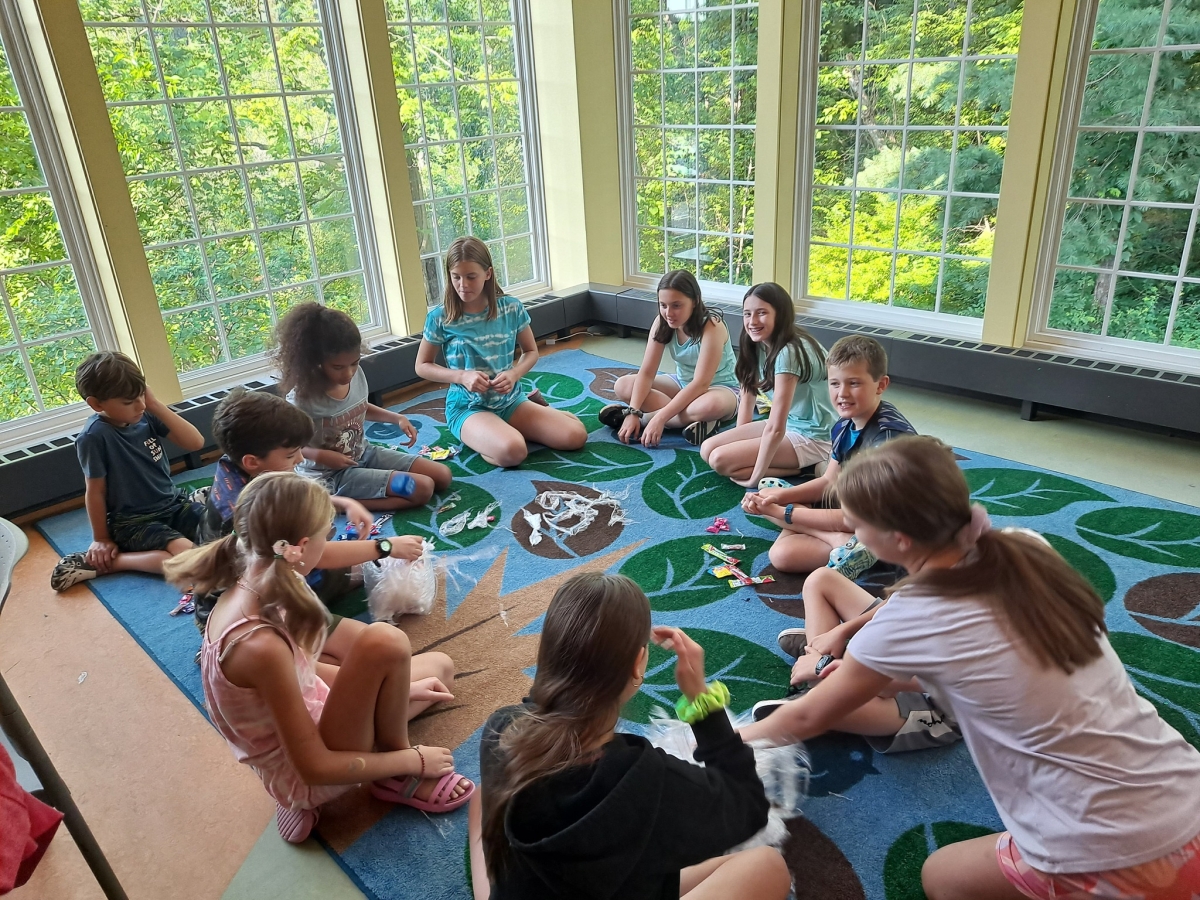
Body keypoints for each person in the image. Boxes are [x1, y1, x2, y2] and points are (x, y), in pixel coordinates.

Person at [741, 437, 1200, 900]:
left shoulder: (913, 616)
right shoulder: (1023, 544)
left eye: (856, 525)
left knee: (941, 879)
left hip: (1102, 844)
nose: (851, 532)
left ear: (898, 540)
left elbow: (804, 718)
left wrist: (705, 743)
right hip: (1185, 787)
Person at [165, 472, 474, 844]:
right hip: (306, 770)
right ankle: (392, 771)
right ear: (303, 545)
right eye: (328, 533)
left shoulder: (260, 578)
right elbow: (313, 767)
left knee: (439, 668)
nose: (330, 542)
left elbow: (304, 671)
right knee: (386, 643)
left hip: (308, 722)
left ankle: (377, 749)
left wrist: (393, 692)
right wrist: (414, 760)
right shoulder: (257, 645)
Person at [467, 572, 791, 900]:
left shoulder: (502, 728)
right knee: (768, 866)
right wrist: (701, 701)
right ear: (638, 665)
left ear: (548, 652)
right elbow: (748, 805)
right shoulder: (648, 779)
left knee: (483, 797)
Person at [192, 388, 427, 638]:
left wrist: (344, 502)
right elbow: (315, 556)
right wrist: (385, 546)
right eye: (291, 455)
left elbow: (295, 510)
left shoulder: (238, 466)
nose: (300, 459)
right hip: (244, 618)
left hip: (266, 576)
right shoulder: (252, 511)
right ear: (252, 461)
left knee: (353, 567)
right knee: (374, 641)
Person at [741, 335, 916, 576]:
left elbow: (855, 519)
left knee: (783, 554)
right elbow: (829, 482)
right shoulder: (845, 423)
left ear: (881, 384)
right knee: (769, 495)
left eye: (854, 383)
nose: (842, 393)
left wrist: (785, 512)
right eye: (835, 383)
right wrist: (784, 496)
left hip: (889, 533)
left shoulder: (887, 443)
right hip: (854, 513)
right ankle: (836, 540)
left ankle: (847, 542)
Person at [749, 567, 961, 756]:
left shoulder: (974, 620)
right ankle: (828, 666)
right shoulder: (939, 554)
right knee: (820, 579)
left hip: (935, 702)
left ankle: (820, 689)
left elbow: (898, 684)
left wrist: (822, 666)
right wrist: (842, 630)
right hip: (906, 649)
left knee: (824, 705)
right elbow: (898, 601)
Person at [415, 236, 587, 468]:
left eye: (471, 277)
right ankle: (489, 435)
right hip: (469, 407)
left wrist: (515, 374)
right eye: (456, 277)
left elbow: (531, 352)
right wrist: (461, 376)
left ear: (488, 273)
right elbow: (422, 365)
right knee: (513, 453)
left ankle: (510, 427)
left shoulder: (511, 307)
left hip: (510, 401)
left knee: (576, 436)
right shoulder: (440, 316)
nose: (462, 284)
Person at [51, 352, 206, 592]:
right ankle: (114, 563)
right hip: (132, 521)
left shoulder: (146, 415)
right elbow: (95, 492)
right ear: (97, 404)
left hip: (173, 505)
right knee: (186, 554)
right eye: (128, 402)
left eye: (141, 396)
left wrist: (155, 404)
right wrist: (102, 539)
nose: (141, 405)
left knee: (221, 529)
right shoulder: (93, 437)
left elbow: (195, 442)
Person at [274, 302, 452, 510]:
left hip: (363, 453)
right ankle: (334, 504)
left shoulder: (356, 375)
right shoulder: (302, 398)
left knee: (442, 476)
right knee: (422, 489)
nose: (348, 373)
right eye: (338, 367)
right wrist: (322, 456)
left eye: (354, 363)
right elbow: (286, 446)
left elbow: (359, 407)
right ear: (314, 361)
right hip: (329, 475)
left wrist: (397, 418)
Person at [699, 283, 835, 488]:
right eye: (747, 314)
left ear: (780, 315)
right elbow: (747, 395)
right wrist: (740, 445)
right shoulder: (756, 342)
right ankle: (804, 466)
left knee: (720, 460)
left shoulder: (789, 353)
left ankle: (807, 468)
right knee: (707, 449)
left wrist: (755, 478)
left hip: (817, 435)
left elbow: (776, 426)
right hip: (791, 423)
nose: (752, 321)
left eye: (761, 313)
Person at [598, 270, 739, 447]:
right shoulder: (661, 322)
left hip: (720, 389)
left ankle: (647, 419)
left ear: (694, 301)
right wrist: (633, 410)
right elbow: (647, 372)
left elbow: (701, 384)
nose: (669, 312)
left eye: (676, 305)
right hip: (681, 383)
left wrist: (658, 418)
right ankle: (694, 421)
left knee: (709, 406)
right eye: (663, 305)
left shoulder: (712, 326)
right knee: (623, 385)